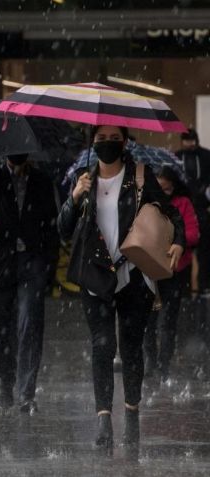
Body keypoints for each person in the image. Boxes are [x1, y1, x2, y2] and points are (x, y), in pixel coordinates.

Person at [58, 125, 185, 449]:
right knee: (102, 346)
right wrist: (74, 197)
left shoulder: (140, 176)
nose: (107, 145)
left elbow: (171, 213)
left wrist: (179, 243)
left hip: (132, 277)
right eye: (100, 140)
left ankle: (131, 409)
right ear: (92, 143)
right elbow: (63, 228)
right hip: (96, 277)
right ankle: (104, 419)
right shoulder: (84, 180)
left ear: (125, 142)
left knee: (131, 349)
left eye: (113, 139)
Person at [0, 154, 59, 415]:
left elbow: (51, 226)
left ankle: (26, 393)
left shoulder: (43, 181)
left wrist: (48, 269)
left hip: (32, 262)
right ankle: (4, 389)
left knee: (30, 324)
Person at [144, 167, 200, 383]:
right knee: (149, 320)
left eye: (167, 189)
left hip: (176, 269)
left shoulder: (183, 203)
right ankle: (150, 360)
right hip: (151, 269)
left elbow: (194, 234)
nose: (163, 192)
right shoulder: (148, 204)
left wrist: (175, 238)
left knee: (168, 320)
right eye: (160, 188)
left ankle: (163, 364)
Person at [175, 129, 210, 292]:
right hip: (184, 205)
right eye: (187, 140)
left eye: (192, 140)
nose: (190, 144)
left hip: (202, 205)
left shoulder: (205, 156)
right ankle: (185, 285)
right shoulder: (177, 157)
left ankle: (203, 284)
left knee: (204, 247)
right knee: (184, 244)